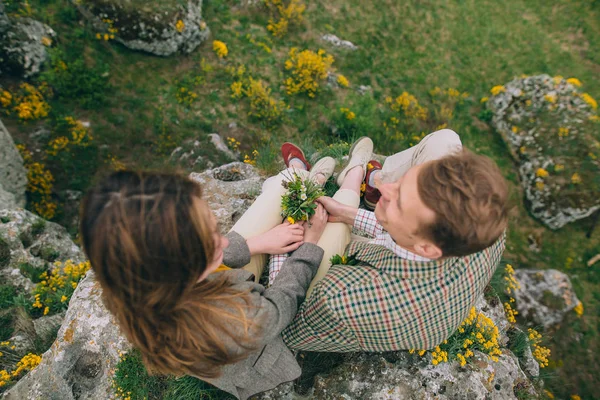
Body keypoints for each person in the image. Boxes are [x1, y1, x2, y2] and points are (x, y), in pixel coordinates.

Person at [79, 168, 332, 400]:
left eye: (213, 228)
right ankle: (345, 185)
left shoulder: (142, 281)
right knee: (332, 224)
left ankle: (306, 179)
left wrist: (259, 243)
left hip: (227, 283)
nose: (223, 241)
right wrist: (309, 245)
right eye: (208, 241)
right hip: (269, 340)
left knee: (289, 178)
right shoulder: (228, 320)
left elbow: (217, 249)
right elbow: (281, 305)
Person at [281, 129, 510, 352]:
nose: (386, 187)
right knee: (445, 140)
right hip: (410, 260)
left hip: (377, 285)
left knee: (308, 228)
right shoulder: (486, 219)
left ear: (426, 247)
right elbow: (413, 229)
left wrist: (303, 246)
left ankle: (341, 175)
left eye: (398, 202)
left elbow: (287, 330)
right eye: (400, 184)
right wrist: (348, 213)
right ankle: (361, 178)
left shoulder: (340, 298)